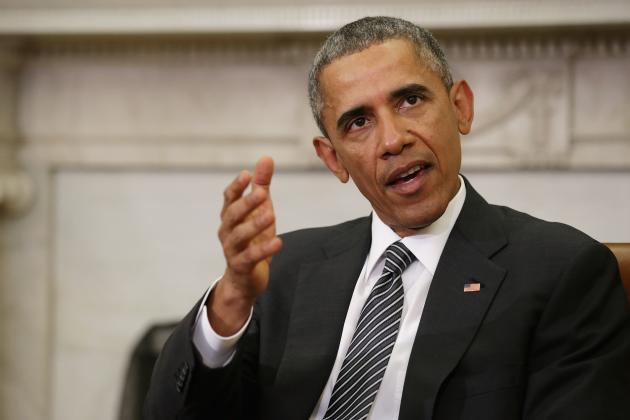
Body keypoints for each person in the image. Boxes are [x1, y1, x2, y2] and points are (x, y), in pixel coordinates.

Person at [144, 16, 630, 420]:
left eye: (410, 101)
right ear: (333, 159)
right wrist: (229, 301)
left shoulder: (562, 270)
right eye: (359, 122)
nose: (393, 139)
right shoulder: (286, 270)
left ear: (461, 107)